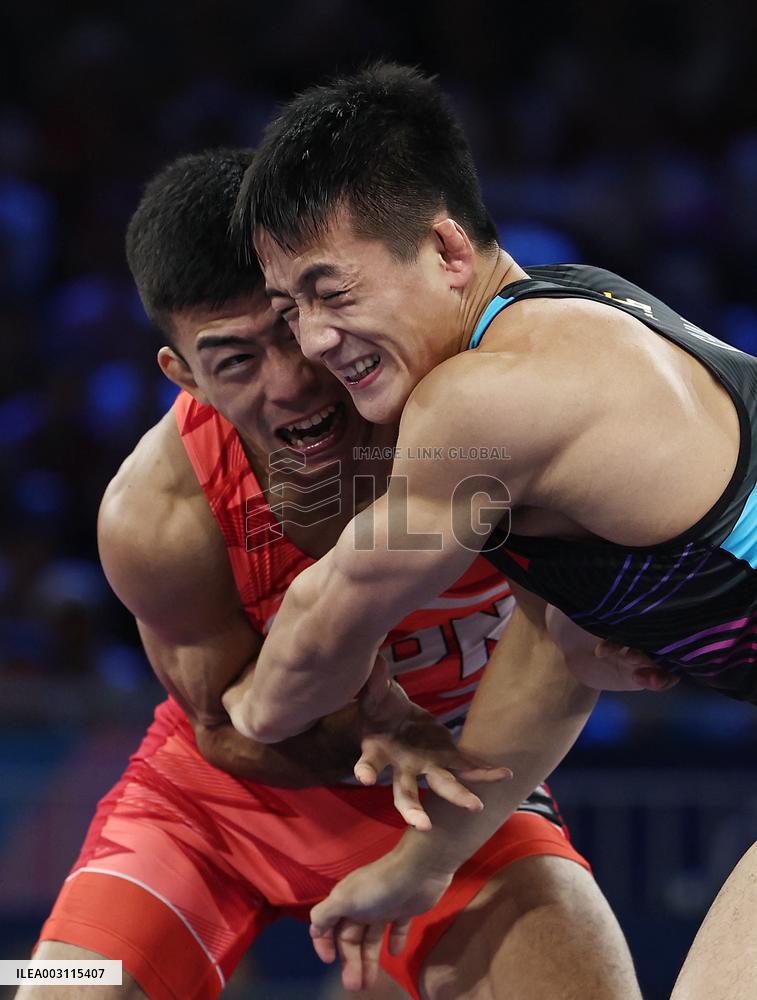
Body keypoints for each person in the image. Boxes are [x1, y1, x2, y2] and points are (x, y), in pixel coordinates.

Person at [19, 149, 644, 1000]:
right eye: (235, 361)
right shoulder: (153, 512)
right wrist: (368, 731)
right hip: (209, 806)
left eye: (292, 331)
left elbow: (561, 653)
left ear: (328, 299)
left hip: (445, 792)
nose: (293, 385)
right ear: (182, 375)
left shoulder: (476, 413)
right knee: (51, 985)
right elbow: (221, 727)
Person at [229, 63, 757, 999]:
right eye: (289, 310)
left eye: (331, 292)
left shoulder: (481, 399)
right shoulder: (564, 317)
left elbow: (326, 618)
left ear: (444, 249)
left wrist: (246, 718)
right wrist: (420, 867)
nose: (311, 340)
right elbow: (550, 658)